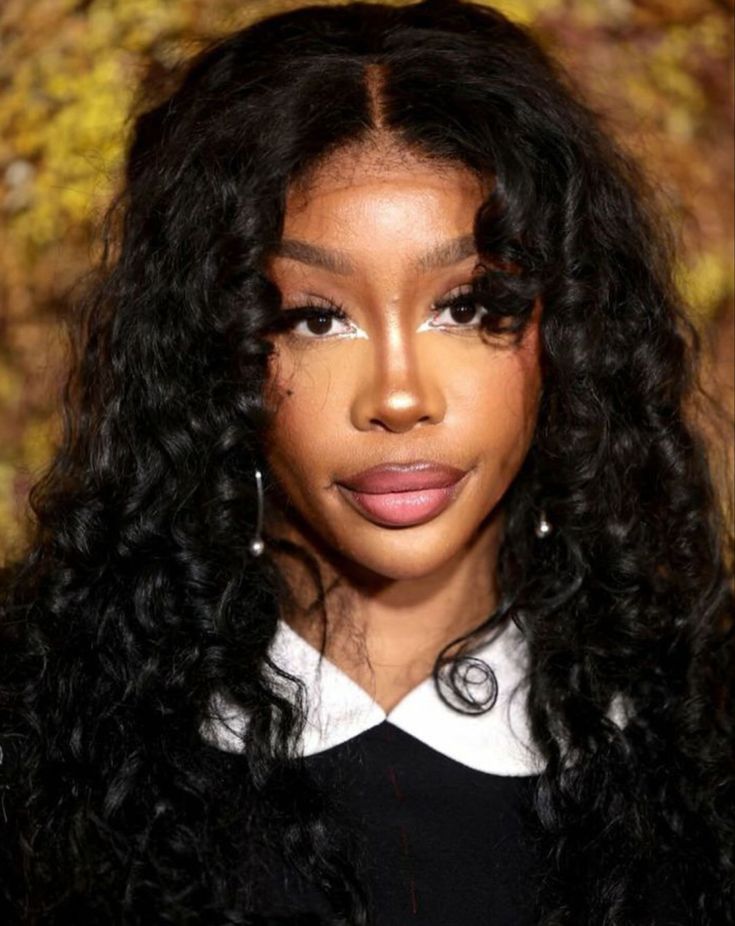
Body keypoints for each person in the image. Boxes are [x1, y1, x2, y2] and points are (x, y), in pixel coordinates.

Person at [0, 0, 732, 923]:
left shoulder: (699, 745)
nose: (397, 395)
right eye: (314, 317)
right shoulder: (40, 751)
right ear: (208, 349)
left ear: (570, 329)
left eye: (467, 307)